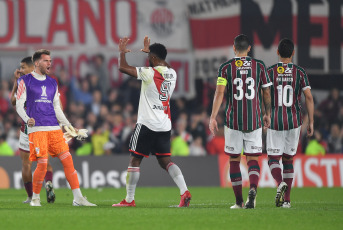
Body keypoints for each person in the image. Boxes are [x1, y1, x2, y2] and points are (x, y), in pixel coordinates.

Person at [112, 36, 191, 207]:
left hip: (147, 124)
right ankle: (184, 191)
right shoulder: (172, 73)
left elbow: (122, 67)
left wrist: (121, 52)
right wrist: (153, 53)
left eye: (149, 58)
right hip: (164, 125)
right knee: (166, 162)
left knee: (135, 160)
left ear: (154, 59)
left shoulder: (150, 73)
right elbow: (165, 64)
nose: (148, 61)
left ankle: (129, 200)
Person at [15, 49, 96, 207]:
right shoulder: (25, 80)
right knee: (43, 163)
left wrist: (68, 125)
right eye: (46, 61)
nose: (49, 64)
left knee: (68, 161)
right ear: (37, 63)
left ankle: (78, 198)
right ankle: (35, 199)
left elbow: (57, 107)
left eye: (50, 61)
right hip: (37, 128)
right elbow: (19, 104)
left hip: (53, 128)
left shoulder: (52, 82)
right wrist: (27, 119)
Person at [209, 34, 272, 209]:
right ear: (249, 49)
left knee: (235, 160)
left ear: (234, 48)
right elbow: (266, 93)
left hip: (233, 121)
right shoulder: (259, 66)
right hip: (254, 119)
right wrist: (267, 113)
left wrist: (213, 117)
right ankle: (253, 188)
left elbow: (220, 93)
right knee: (252, 159)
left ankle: (239, 202)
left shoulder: (226, 68)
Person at [266, 38, 314, 208]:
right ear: (293, 53)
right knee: (288, 160)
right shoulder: (300, 72)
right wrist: (311, 121)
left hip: (275, 120)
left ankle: (279, 182)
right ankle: (287, 201)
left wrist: (265, 114)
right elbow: (308, 97)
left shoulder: (270, 71)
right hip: (294, 121)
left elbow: (264, 95)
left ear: (277, 52)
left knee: (272, 158)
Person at [10, 57, 56, 204]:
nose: (21, 70)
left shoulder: (23, 83)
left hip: (27, 129)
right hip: (44, 127)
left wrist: (16, 83)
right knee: (45, 161)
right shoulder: (47, 82)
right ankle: (48, 183)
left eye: (23, 67)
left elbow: (13, 102)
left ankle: (30, 197)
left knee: (26, 164)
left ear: (31, 67)